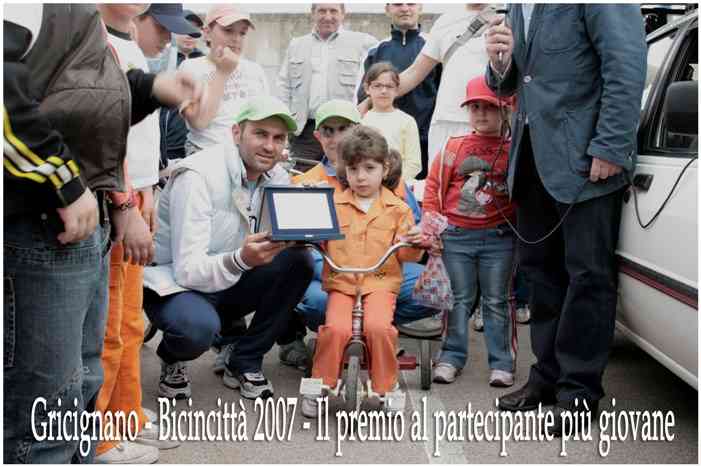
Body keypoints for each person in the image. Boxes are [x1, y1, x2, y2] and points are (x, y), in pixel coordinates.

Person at [4, 4, 202, 463]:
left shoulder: (80, 17)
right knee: (43, 406)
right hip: (42, 228)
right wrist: (65, 182)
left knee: (83, 382)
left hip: (79, 227)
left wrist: (152, 88)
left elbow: (81, 103)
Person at [484, 4, 646, 435]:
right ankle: (547, 377)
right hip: (534, 161)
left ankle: (579, 391)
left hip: (586, 161)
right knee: (541, 275)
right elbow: (518, 83)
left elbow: (626, 67)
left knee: (587, 276)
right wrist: (499, 64)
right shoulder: (518, 6)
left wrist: (610, 146)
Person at [142, 96, 314, 401]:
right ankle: (172, 356)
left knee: (299, 260)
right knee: (196, 329)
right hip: (176, 286)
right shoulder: (197, 175)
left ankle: (245, 358)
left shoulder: (276, 175)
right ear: (236, 133)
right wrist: (240, 260)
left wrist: (307, 227)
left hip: (231, 275)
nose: (270, 146)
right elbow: (187, 270)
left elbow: (281, 238)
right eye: (260, 134)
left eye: (278, 138)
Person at [95, 4, 201, 464]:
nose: (165, 38)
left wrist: (148, 191)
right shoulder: (101, 46)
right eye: (162, 27)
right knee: (109, 328)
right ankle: (99, 434)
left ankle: (126, 414)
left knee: (130, 322)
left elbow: (140, 142)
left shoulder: (138, 57)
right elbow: (106, 139)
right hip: (117, 202)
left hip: (136, 196)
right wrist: (125, 202)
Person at [301, 125, 426, 417]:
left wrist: (415, 241)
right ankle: (320, 385)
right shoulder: (332, 204)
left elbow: (407, 253)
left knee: (379, 328)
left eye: (369, 168)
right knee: (335, 329)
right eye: (353, 169)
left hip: (380, 283)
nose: (360, 176)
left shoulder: (398, 209)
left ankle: (385, 386)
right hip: (342, 283)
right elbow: (313, 238)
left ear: (385, 169)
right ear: (344, 171)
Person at [422, 75, 516, 387]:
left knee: (496, 300)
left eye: (489, 107)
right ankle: (451, 358)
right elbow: (434, 188)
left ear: (506, 109)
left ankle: (502, 362)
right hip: (457, 236)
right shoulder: (454, 146)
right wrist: (432, 229)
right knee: (458, 298)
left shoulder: (514, 148)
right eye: (474, 107)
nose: (480, 113)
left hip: (500, 237)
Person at [359, 4, 496, 171]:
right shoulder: (446, 20)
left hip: (489, 122)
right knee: (439, 186)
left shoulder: (509, 16)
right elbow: (415, 72)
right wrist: (370, 101)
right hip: (445, 122)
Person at [277, 3, 377, 163]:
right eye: (322, 11)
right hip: (305, 131)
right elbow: (284, 86)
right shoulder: (296, 45)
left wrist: (366, 106)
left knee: (345, 178)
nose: (328, 16)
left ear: (343, 13)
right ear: (313, 13)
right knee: (302, 181)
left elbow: (378, 82)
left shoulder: (364, 43)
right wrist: (286, 122)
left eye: (333, 11)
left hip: (346, 128)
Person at [357, 3, 440, 179]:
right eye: (397, 4)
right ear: (387, 9)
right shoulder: (376, 50)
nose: (404, 8)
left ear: (420, 7)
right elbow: (363, 99)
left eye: (410, 3)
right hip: (383, 145)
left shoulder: (433, 47)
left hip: (427, 141)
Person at [180, 4, 268, 155]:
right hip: (206, 154)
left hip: (248, 157)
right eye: (228, 30)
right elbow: (199, 122)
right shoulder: (190, 68)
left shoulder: (255, 70)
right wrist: (222, 72)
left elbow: (265, 118)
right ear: (207, 33)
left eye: (242, 33)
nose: (236, 39)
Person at [158, 10, 206, 169]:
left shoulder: (206, 62)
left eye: (193, 30)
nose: (189, 34)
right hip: (169, 142)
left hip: (197, 143)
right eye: (184, 29)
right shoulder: (160, 59)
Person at [361, 62, 422, 185]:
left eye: (389, 86)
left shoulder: (407, 121)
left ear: (397, 90)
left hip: (398, 185)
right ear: (367, 88)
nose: (384, 91)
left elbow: (414, 163)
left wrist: (393, 181)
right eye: (377, 85)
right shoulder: (361, 121)